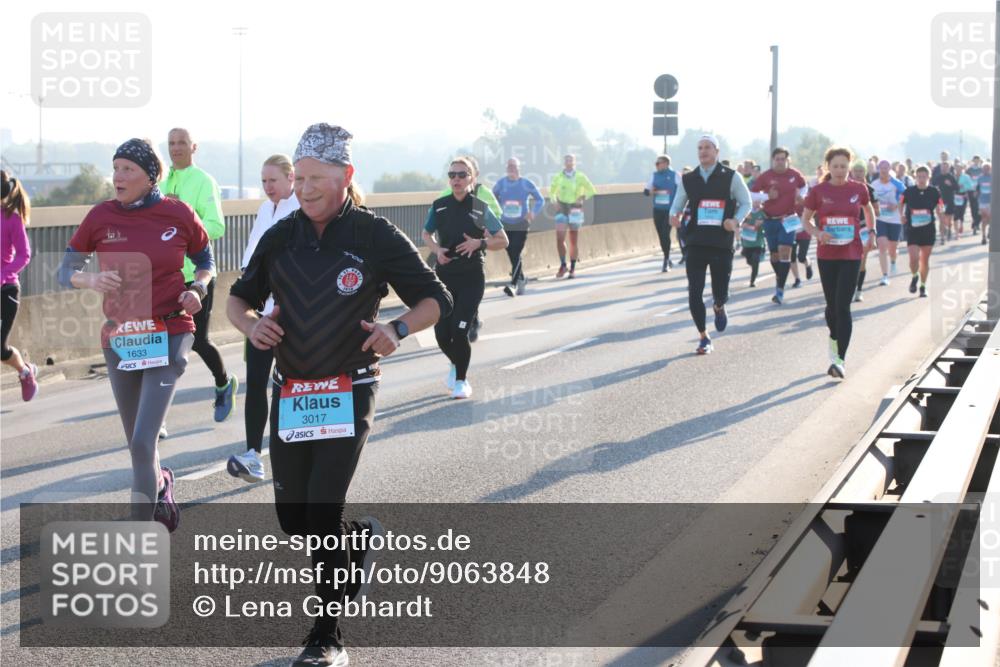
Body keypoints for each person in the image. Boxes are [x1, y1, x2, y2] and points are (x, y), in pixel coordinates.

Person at [227, 123, 451, 667]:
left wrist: (396, 330)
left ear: (346, 178)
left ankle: (326, 636)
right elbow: (237, 300)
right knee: (293, 518)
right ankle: (361, 538)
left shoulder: (374, 236)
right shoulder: (282, 236)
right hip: (293, 392)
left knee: (321, 512)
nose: (303, 189)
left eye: (315, 179)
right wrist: (252, 326)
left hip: (350, 389)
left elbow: (434, 298)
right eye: (298, 178)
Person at [58, 138, 216, 531]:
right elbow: (65, 271)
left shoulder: (177, 213)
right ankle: (161, 482)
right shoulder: (100, 217)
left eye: (128, 169)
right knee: (137, 446)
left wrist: (197, 289)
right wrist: (90, 278)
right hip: (121, 337)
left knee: (144, 443)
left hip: (171, 328)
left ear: (150, 176)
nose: (118, 176)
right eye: (115, 168)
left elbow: (205, 260)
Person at [226, 155, 299, 484]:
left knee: (287, 385)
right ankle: (253, 455)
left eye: (274, 180)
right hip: (260, 313)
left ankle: (297, 452)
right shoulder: (263, 210)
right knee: (256, 381)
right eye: (264, 181)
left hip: (290, 314)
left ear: (291, 178)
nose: (268, 187)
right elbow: (251, 260)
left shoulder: (300, 209)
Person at [161, 127, 238, 424]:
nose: (176, 148)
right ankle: (160, 417)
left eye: (182, 143)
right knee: (163, 346)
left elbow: (216, 225)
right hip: (163, 275)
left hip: (197, 275)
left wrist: (183, 232)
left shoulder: (204, 181)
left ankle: (223, 383)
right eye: (171, 143)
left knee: (197, 341)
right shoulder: (161, 180)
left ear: (194, 147)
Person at [423, 158, 509, 398]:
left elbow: (503, 239)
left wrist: (479, 242)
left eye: (462, 175)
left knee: (459, 331)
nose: (456, 179)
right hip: (445, 277)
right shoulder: (439, 206)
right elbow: (426, 233)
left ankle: (461, 381)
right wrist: (436, 250)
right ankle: (456, 362)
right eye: (452, 175)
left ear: (472, 178)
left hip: (471, 277)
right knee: (441, 334)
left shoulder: (480, 207)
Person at [669, 134, 751, 355]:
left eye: (707, 147)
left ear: (717, 151)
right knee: (694, 291)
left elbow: (746, 203)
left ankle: (719, 305)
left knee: (720, 291)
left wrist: (735, 221)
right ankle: (704, 336)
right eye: (700, 148)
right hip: (695, 241)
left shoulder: (731, 177)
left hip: (721, 243)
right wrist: (673, 215)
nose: (703, 151)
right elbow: (677, 203)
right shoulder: (689, 179)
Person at [802, 147, 876, 379]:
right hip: (827, 255)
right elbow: (805, 220)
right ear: (828, 167)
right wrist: (817, 233)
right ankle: (834, 338)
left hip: (852, 253)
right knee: (831, 307)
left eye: (844, 166)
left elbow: (868, 209)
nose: (840, 170)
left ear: (849, 166)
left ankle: (839, 360)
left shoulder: (858, 189)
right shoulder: (818, 191)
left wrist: (871, 232)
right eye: (835, 166)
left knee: (843, 306)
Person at [750, 147, 808, 305]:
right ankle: (780, 278)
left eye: (783, 159)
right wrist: (767, 196)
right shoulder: (766, 176)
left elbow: (804, 186)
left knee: (785, 253)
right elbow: (752, 194)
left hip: (788, 219)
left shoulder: (794, 175)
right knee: (774, 256)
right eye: (777, 159)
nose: (780, 162)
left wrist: (801, 196)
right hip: (770, 220)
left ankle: (779, 291)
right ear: (773, 160)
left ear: (787, 160)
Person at [1, 170, 38, 401]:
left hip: (6, 290)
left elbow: (24, 255)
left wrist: (3, 275)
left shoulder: (11, 218)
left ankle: (25, 372)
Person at [493, 158, 544, 295]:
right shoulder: (501, 183)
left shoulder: (526, 183)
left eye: (514, 166)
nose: (511, 168)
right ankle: (521, 278)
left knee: (515, 251)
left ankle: (513, 284)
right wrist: (496, 212)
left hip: (522, 223)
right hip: (505, 223)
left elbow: (540, 199)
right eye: (509, 166)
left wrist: (533, 212)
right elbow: (492, 198)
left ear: (518, 168)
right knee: (511, 252)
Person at [549, 154, 596, 279]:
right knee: (559, 238)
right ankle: (563, 264)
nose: (569, 162)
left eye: (571, 160)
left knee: (573, 239)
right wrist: (554, 202)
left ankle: (573, 268)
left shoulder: (580, 176)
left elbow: (592, 190)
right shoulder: (558, 176)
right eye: (567, 160)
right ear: (564, 162)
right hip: (562, 207)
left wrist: (582, 197)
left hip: (575, 208)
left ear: (575, 162)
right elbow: (552, 191)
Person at [900, 165, 943, 298]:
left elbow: (941, 203)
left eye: (924, 177)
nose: (922, 179)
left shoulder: (934, 191)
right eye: (919, 177)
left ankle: (923, 287)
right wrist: (901, 215)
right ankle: (915, 276)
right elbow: (900, 202)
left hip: (928, 230)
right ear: (915, 177)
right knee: (914, 259)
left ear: (928, 177)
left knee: (924, 260)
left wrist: (940, 211)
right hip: (913, 230)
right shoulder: (908, 191)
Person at [870, 160, 906, 286]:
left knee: (893, 248)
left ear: (890, 169)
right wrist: (875, 208)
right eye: (881, 168)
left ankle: (893, 262)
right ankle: (885, 276)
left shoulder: (896, 184)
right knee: (882, 245)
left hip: (895, 220)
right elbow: (871, 200)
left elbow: (905, 196)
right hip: (881, 219)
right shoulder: (874, 184)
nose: (884, 170)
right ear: (879, 169)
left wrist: (896, 205)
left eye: (886, 168)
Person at [643, 154, 679, 272]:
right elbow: (646, 191)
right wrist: (651, 191)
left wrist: (679, 207)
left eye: (659, 163)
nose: (656, 166)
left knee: (665, 233)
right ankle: (667, 257)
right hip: (658, 210)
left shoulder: (675, 175)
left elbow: (683, 191)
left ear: (666, 164)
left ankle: (666, 259)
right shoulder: (654, 176)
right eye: (656, 163)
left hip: (670, 210)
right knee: (660, 235)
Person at [850, 162, 878, 302]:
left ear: (865, 172)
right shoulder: (846, 188)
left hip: (864, 227)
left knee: (862, 260)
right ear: (852, 172)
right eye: (856, 170)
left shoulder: (870, 189)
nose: (859, 173)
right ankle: (848, 286)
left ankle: (858, 290)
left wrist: (864, 210)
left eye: (861, 171)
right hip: (849, 227)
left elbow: (876, 211)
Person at [741, 204, 767, 287]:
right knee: (749, 261)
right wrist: (744, 225)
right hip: (747, 242)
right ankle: (753, 266)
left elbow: (769, 221)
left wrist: (762, 223)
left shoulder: (763, 212)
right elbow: (739, 221)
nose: (757, 202)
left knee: (755, 261)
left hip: (758, 242)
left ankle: (752, 281)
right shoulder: (746, 211)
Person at [955, 163, 975, 237]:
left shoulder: (966, 177)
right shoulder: (953, 176)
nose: (958, 170)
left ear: (962, 169)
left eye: (960, 169)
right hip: (955, 196)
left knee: (962, 211)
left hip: (963, 195)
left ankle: (961, 224)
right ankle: (957, 227)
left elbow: (971, 186)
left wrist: (964, 186)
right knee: (956, 211)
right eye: (957, 168)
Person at [978, 162, 992, 246]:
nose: (986, 170)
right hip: (982, 201)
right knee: (984, 218)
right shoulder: (980, 178)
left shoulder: (993, 177)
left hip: (991, 201)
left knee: (990, 218)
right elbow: (977, 188)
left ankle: (990, 230)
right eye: (984, 168)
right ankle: (983, 236)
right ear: (982, 169)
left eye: (987, 168)